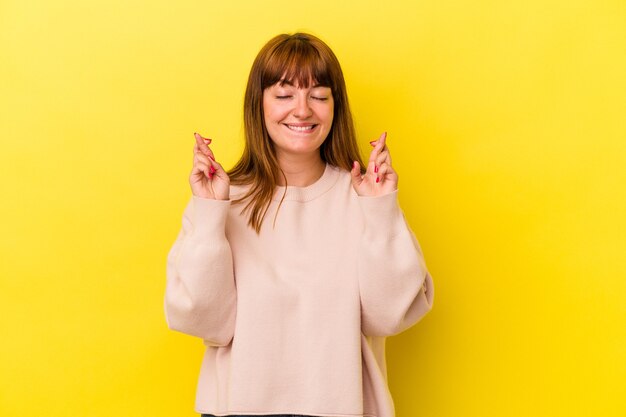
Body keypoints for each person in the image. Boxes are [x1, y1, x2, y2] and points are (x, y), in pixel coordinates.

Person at [164, 32, 434, 417]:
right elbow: (206, 322)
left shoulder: (364, 198)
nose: (303, 110)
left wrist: (380, 211)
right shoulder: (222, 201)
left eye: (319, 96)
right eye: (284, 94)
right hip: (239, 409)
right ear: (258, 105)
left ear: (335, 107)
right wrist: (209, 215)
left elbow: (389, 315)